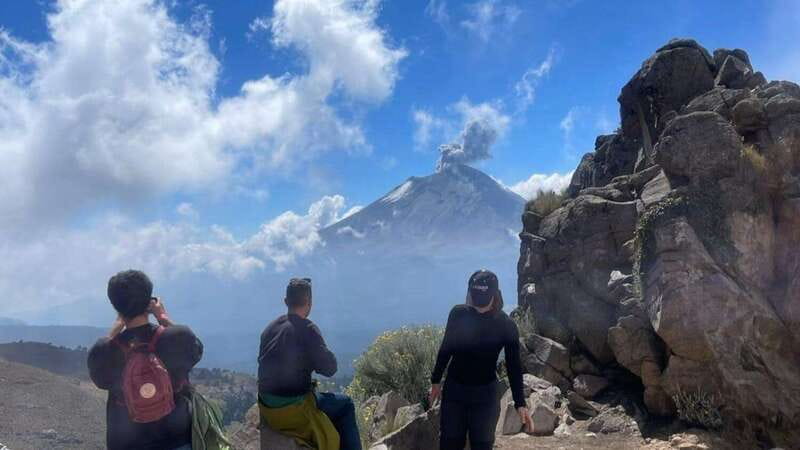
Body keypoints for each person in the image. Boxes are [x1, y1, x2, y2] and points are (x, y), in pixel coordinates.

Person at [88, 270, 204, 450]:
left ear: (115, 305)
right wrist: (163, 318)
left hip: (126, 443)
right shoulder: (178, 337)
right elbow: (196, 349)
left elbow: (99, 375)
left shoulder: (104, 351)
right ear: (149, 301)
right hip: (176, 440)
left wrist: (115, 329)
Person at [430, 269, 531, 450]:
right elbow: (446, 348)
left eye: (482, 300)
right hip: (455, 392)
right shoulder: (458, 314)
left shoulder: (506, 325)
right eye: (475, 298)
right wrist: (435, 381)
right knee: (449, 444)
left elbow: (513, 366)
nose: (478, 306)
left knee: (482, 446)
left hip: (485, 397)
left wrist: (520, 402)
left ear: (495, 295)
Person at [258, 277, 361, 450]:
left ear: (285, 301)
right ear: (309, 303)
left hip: (268, 408)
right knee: (346, 405)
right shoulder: (307, 329)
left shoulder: (269, 329)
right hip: (295, 409)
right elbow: (329, 368)